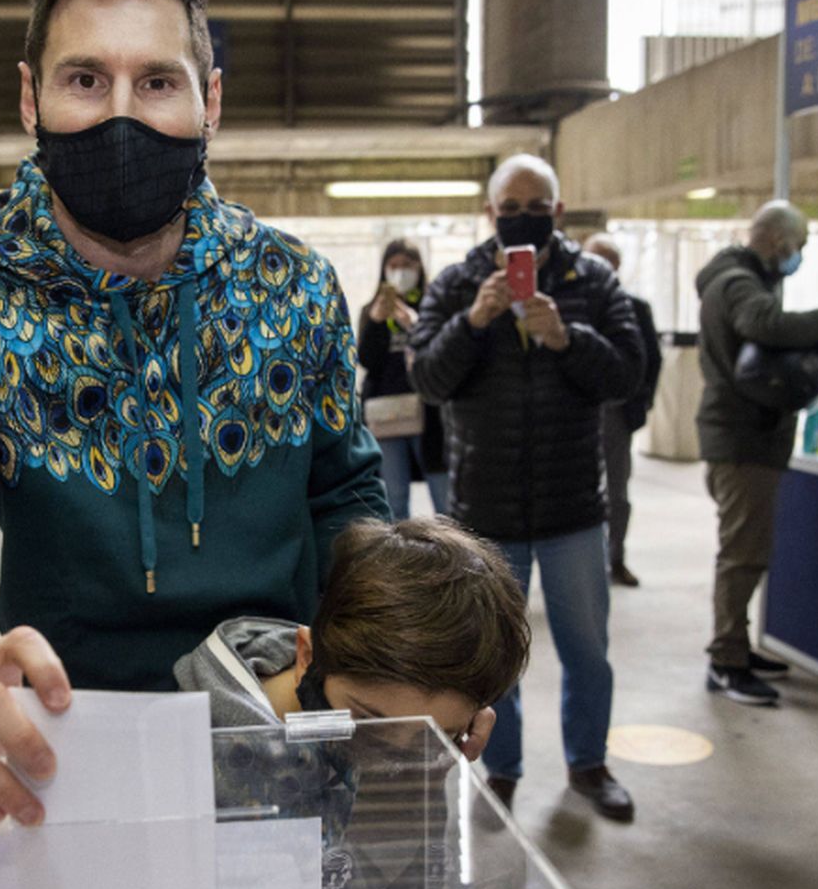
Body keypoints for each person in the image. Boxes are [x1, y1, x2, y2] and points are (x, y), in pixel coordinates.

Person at [0, 0, 387, 827]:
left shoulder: (295, 288)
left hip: (286, 731)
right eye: (86, 79)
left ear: (209, 103)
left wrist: (399, 647)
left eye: (158, 83)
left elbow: (345, 497)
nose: (121, 116)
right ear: (32, 97)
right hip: (62, 762)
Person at [407, 153, 645, 820]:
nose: (522, 220)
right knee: (493, 659)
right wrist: (473, 322)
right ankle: (502, 769)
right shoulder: (459, 282)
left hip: (573, 507)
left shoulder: (592, 280)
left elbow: (627, 374)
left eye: (536, 208)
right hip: (486, 509)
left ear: (559, 212)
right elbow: (427, 377)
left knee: (587, 651)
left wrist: (568, 339)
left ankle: (589, 766)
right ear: (490, 212)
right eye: (509, 208)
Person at [174, 515, 527, 756]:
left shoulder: (429, 730)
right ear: (307, 657)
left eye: (432, 739)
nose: (394, 764)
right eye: (368, 722)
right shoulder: (194, 749)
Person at [695, 201, 818, 706]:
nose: (798, 255)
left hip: (745, 437)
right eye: (798, 246)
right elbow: (766, 323)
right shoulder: (740, 283)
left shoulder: (734, 277)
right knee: (741, 554)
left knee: (747, 550)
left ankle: (736, 647)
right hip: (742, 439)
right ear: (779, 241)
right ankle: (726, 661)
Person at [582, 235, 663, 587]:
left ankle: (615, 558)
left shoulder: (634, 307)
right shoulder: (565, 304)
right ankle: (581, 564)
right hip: (576, 414)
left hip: (616, 413)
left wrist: (640, 403)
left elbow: (650, 359)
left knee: (616, 492)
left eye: (608, 262)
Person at [357, 239, 447, 520]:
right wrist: (375, 321)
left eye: (408, 266)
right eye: (393, 266)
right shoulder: (371, 310)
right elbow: (367, 360)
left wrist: (416, 325)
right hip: (386, 415)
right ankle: (402, 562)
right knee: (394, 496)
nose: (401, 272)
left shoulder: (434, 306)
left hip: (430, 415)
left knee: (443, 493)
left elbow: (442, 354)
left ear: (420, 268)